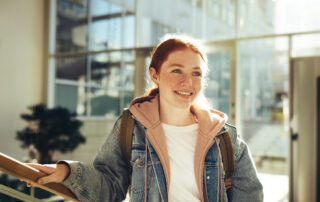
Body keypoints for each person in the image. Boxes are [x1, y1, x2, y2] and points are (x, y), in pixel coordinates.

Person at [28, 35, 263, 202]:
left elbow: (250, 196)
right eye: (177, 70)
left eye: (196, 73)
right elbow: (109, 187)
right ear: (155, 74)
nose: (188, 82)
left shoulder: (225, 136)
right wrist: (69, 173)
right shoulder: (131, 128)